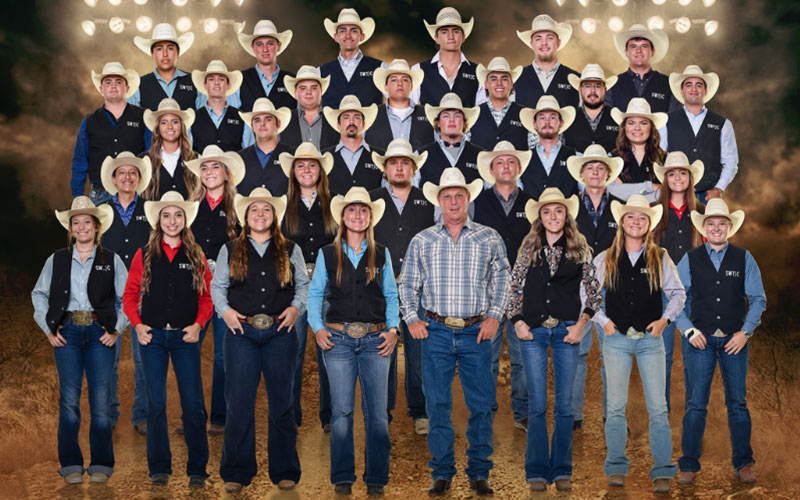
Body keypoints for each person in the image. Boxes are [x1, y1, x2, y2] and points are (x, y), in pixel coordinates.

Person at [399, 167, 510, 497]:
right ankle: (442, 471)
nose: (453, 201)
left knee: (481, 403)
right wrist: (412, 318)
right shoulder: (423, 240)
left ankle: (478, 470)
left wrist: (494, 317)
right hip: (435, 330)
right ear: (438, 200)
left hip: (476, 331)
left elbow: (503, 279)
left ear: (468, 198)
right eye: (447, 196)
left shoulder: (488, 237)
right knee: (437, 405)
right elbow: (407, 283)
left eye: (459, 195)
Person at [211, 188, 309, 493]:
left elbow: (303, 285)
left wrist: (295, 308)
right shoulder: (230, 249)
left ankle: (285, 469)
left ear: (274, 215)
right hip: (242, 334)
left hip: (280, 332)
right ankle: (237, 472)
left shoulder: (290, 248)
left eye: (266, 210)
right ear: (245, 216)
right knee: (239, 404)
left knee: (282, 403)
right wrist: (225, 313)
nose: (260, 215)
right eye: (254, 210)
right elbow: (218, 287)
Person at [507, 188, 602, 492]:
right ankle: (536, 470)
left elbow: (595, 293)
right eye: (547, 212)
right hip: (533, 332)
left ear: (566, 215)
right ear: (540, 216)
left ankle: (561, 469)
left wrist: (582, 325)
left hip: (567, 331)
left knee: (564, 405)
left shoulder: (579, 248)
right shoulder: (528, 248)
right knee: (537, 404)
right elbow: (513, 288)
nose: (553, 217)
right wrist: (518, 321)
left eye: (558, 211)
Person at [592, 195, 685, 494]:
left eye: (642, 218)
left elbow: (678, 294)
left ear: (649, 225)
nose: (636, 222)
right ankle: (616, 467)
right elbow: (588, 297)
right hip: (616, 340)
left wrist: (665, 321)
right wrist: (603, 321)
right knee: (615, 407)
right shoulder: (605, 257)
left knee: (658, 408)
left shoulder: (660, 256)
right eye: (631, 217)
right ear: (622, 222)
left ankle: (662, 470)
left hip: (650, 341)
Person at [309, 187, 400, 497]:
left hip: (376, 339)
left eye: (363, 210)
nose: (357, 215)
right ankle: (342, 477)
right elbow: (315, 293)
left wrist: (393, 329)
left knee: (377, 413)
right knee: (342, 413)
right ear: (343, 216)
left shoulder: (382, 252)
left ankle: (376, 478)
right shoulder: (327, 253)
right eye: (352, 210)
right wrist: (318, 327)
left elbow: (390, 294)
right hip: (338, 340)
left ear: (370, 217)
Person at [31, 197, 128, 484]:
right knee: (69, 400)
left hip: (100, 333)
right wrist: (48, 328)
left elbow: (129, 298)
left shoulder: (111, 259)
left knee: (101, 402)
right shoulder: (57, 259)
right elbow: (39, 294)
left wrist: (117, 329)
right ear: (71, 229)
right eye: (76, 222)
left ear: (97, 227)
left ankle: (102, 463)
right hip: (68, 332)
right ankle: (71, 463)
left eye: (87, 221)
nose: (82, 226)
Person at [122, 191, 212, 487]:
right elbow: (130, 295)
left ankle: (198, 468)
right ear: (158, 221)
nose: (172, 220)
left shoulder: (196, 255)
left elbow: (206, 298)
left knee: (193, 403)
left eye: (177, 215)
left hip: (186, 337)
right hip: (153, 337)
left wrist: (199, 325)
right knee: (155, 403)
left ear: (185, 220)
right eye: (166, 215)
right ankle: (159, 467)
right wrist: (137, 326)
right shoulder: (144, 254)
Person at [675, 199, 766, 485]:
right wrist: (689, 331)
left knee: (737, 404)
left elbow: (758, 299)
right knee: (695, 405)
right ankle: (688, 464)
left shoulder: (744, 258)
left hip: (733, 342)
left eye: (721, 223)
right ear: (704, 229)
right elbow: (675, 299)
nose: (716, 228)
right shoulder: (690, 259)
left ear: (729, 227)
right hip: (699, 341)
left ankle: (743, 463)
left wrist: (745, 332)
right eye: (711, 223)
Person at [369, 139, 436, 434]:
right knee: (383, 347)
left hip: (419, 288)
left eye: (405, 162)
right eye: (394, 162)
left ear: (414, 167)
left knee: (418, 350)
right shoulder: (370, 200)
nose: (399, 167)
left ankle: (419, 409)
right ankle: (382, 410)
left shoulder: (428, 202)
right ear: (385, 168)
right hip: (380, 286)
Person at [473, 141, 533, 431]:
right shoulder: (477, 203)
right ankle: (485, 410)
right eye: (500, 162)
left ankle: (522, 412)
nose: (506, 166)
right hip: (487, 289)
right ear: (491, 169)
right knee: (488, 356)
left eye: (511, 162)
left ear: (519, 168)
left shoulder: (533, 204)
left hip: (525, 290)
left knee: (523, 356)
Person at [279, 142, 339, 432]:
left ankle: (330, 416)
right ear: (293, 172)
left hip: (329, 286)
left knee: (328, 349)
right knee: (293, 352)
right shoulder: (282, 206)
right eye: (300, 165)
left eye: (312, 165)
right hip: (295, 288)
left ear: (320, 171)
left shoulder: (333, 205)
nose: (306, 170)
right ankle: (291, 415)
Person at [186, 145, 245, 435]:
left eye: (216, 167)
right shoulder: (190, 208)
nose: (210, 172)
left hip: (226, 290)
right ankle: (193, 415)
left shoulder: (238, 206)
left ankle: (220, 418)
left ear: (226, 172)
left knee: (223, 354)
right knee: (189, 350)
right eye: (205, 168)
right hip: (194, 289)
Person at [564, 144, 623, 430]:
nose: (596, 172)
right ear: (582, 174)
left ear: (608, 174)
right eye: (590, 168)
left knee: (612, 353)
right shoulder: (570, 208)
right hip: (578, 289)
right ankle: (573, 415)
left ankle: (613, 414)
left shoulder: (620, 207)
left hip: (613, 287)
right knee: (577, 351)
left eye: (601, 168)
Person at [98, 152, 153, 435]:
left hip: (143, 294)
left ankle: (142, 415)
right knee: (110, 358)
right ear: (113, 179)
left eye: (133, 173)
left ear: (139, 179)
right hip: (109, 296)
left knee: (144, 359)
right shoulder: (101, 212)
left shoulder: (152, 211)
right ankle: (107, 414)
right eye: (122, 173)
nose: (127, 177)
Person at [652, 151, 705, 411]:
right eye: (671, 173)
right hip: (662, 293)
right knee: (662, 356)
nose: (677, 178)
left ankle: (694, 414)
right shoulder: (653, 213)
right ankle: (661, 412)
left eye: (682, 173)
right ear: (665, 178)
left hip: (696, 293)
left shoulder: (703, 213)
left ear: (690, 177)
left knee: (695, 355)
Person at [72, 62, 150, 206]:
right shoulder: (89, 121)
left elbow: (152, 155)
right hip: (99, 194)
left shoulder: (143, 116)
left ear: (127, 88)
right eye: (108, 82)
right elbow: (80, 161)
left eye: (118, 81)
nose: (113, 86)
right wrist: (78, 196)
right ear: (101, 89)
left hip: (136, 191)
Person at [661, 65, 739, 203]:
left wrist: (718, 189)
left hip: (708, 197)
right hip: (674, 195)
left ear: (705, 90)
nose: (694, 89)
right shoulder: (666, 121)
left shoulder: (723, 123)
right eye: (689, 85)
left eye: (699, 85)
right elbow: (658, 156)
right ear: (682, 91)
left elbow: (731, 161)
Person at [411, 7, 486, 108]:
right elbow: (410, 111)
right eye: (444, 32)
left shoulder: (478, 72)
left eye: (455, 31)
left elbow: (482, 114)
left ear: (463, 37)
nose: (451, 36)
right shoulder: (418, 70)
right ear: (436, 38)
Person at [605, 24, 679, 114]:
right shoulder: (613, 85)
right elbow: (608, 119)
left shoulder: (668, 85)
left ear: (653, 51)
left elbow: (673, 119)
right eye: (633, 46)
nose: (638, 50)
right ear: (626, 52)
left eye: (644, 46)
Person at [320, 8, 385, 109]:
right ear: (335, 37)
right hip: (331, 125)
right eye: (342, 31)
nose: (348, 35)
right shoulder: (320, 72)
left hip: (373, 125)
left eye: (354, 31)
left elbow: (395, 103)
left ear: (362, 36)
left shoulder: (381, 68)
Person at [365, 59, 434, 151]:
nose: (400, 83)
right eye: (394, 80)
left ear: (412, 86)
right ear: (385, 86)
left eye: (405, 80)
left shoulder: (429, 114)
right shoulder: (370, 115)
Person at [513, 15, 579, 108]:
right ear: (532, 44)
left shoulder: (576, 79)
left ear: (558, 43)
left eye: (550, 38)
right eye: (538, 38)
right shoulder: (516, 79)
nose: (544, 43)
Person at [608, 97, 667, 201]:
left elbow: (670, 192)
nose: (637, 128)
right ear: (624, 127)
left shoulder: (665, 158)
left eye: (643, 123)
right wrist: (650, 187)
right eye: (631, 123)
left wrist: (625, 191)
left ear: (651, 127)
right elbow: (609, 190)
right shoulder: (612, 158)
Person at [418, 92, 483, 186]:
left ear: (465, 123)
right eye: (446, 116)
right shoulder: (421, 156)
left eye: (457, 116)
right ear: (438, 123)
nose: (452, 120)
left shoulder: (481, 157)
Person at [322, 95, 384, 194]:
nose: (351, 121)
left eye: (356, 117)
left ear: (363, 124)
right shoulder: (323, 157)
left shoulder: (381, 156)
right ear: (338, 125)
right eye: (346, 117)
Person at [519, 95, 578, 199]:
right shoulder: (523, 161)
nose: (547, 122)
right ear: (534, 124)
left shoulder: (576, 158)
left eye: (552, 117)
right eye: (542, 117)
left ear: (561, 123)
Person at [130, 23, 198, 111]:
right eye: (159, 49)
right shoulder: (138, 86)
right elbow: (131, 120)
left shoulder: (195, 82)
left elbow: (203, 119)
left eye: (170, 48)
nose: (165, 54)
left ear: (178, 53)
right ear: (152, 54)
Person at [235, 19, 297, 112]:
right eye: (259, 44)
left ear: (278, 46)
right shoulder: (240, 80)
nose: (265, 49)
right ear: (253, 48)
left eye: (270, 43)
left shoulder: (293, 80)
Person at [236, 98, 293, 196]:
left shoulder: (292, 155)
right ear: (252, 126)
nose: (262, 124)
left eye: (268, 119)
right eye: (257, 120)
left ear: (278, 124)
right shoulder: (239, 159)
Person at [142, 98, 197, 200]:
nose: (170, 127)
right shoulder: (144, 160)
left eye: (175, 122)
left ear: (182, 126)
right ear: (158, 128)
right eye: (164, 123)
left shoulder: (195, 158)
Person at [469, 57, 528, 151]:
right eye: (493, 79)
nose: (499, 83)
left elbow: (534, 153)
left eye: (504, 79)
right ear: (486, 84)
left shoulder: (526, 115)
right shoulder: (472, 116)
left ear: (511, 84)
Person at [190, 60, 246, 153]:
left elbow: (249, 152)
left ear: (228, 85)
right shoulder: (193, 118)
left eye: (221, 79)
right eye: (211, 79)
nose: (216, 83)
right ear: (205, 85)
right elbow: (188, 154)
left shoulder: (241, 117)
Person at [280, 65, 340, 151]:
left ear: (321, 91)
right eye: (303, 88)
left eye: (314, 88)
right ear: (295, 92)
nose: (308, 92)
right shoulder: (283, 121)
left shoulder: (335, 120)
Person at [563, 64, 620, 152]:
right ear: (580, 90)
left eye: (597, 86)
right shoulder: (568, 119)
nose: (593, 91)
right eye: (588, 86)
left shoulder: (617, 118)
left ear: (604, 90)